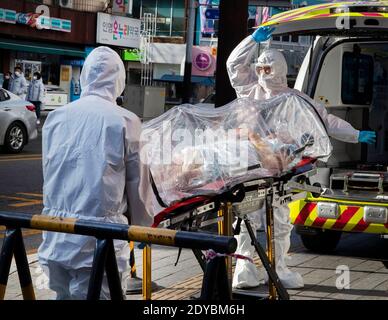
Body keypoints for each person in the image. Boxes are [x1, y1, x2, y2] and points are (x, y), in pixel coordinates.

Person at [227, 26, 376, 290]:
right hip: (251, 169)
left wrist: (355, 133)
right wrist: (251, 40)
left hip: (281, 169)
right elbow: (234, 64)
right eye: (260, 68)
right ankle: (244, 269)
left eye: (267, 69)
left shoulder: (295, 99)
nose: (262, 73)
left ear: (281, 70)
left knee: (281, 220)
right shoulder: (250, 91)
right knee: (246, 222)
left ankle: (279, 267)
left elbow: (325, 120)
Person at [38, 46, 154, 300]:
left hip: (56, 233)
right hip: (100, 239)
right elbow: (138, 185)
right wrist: (145, 226)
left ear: (85, 76)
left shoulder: (56, 117)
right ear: (119, 80)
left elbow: (50, 173)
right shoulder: (125, 121)